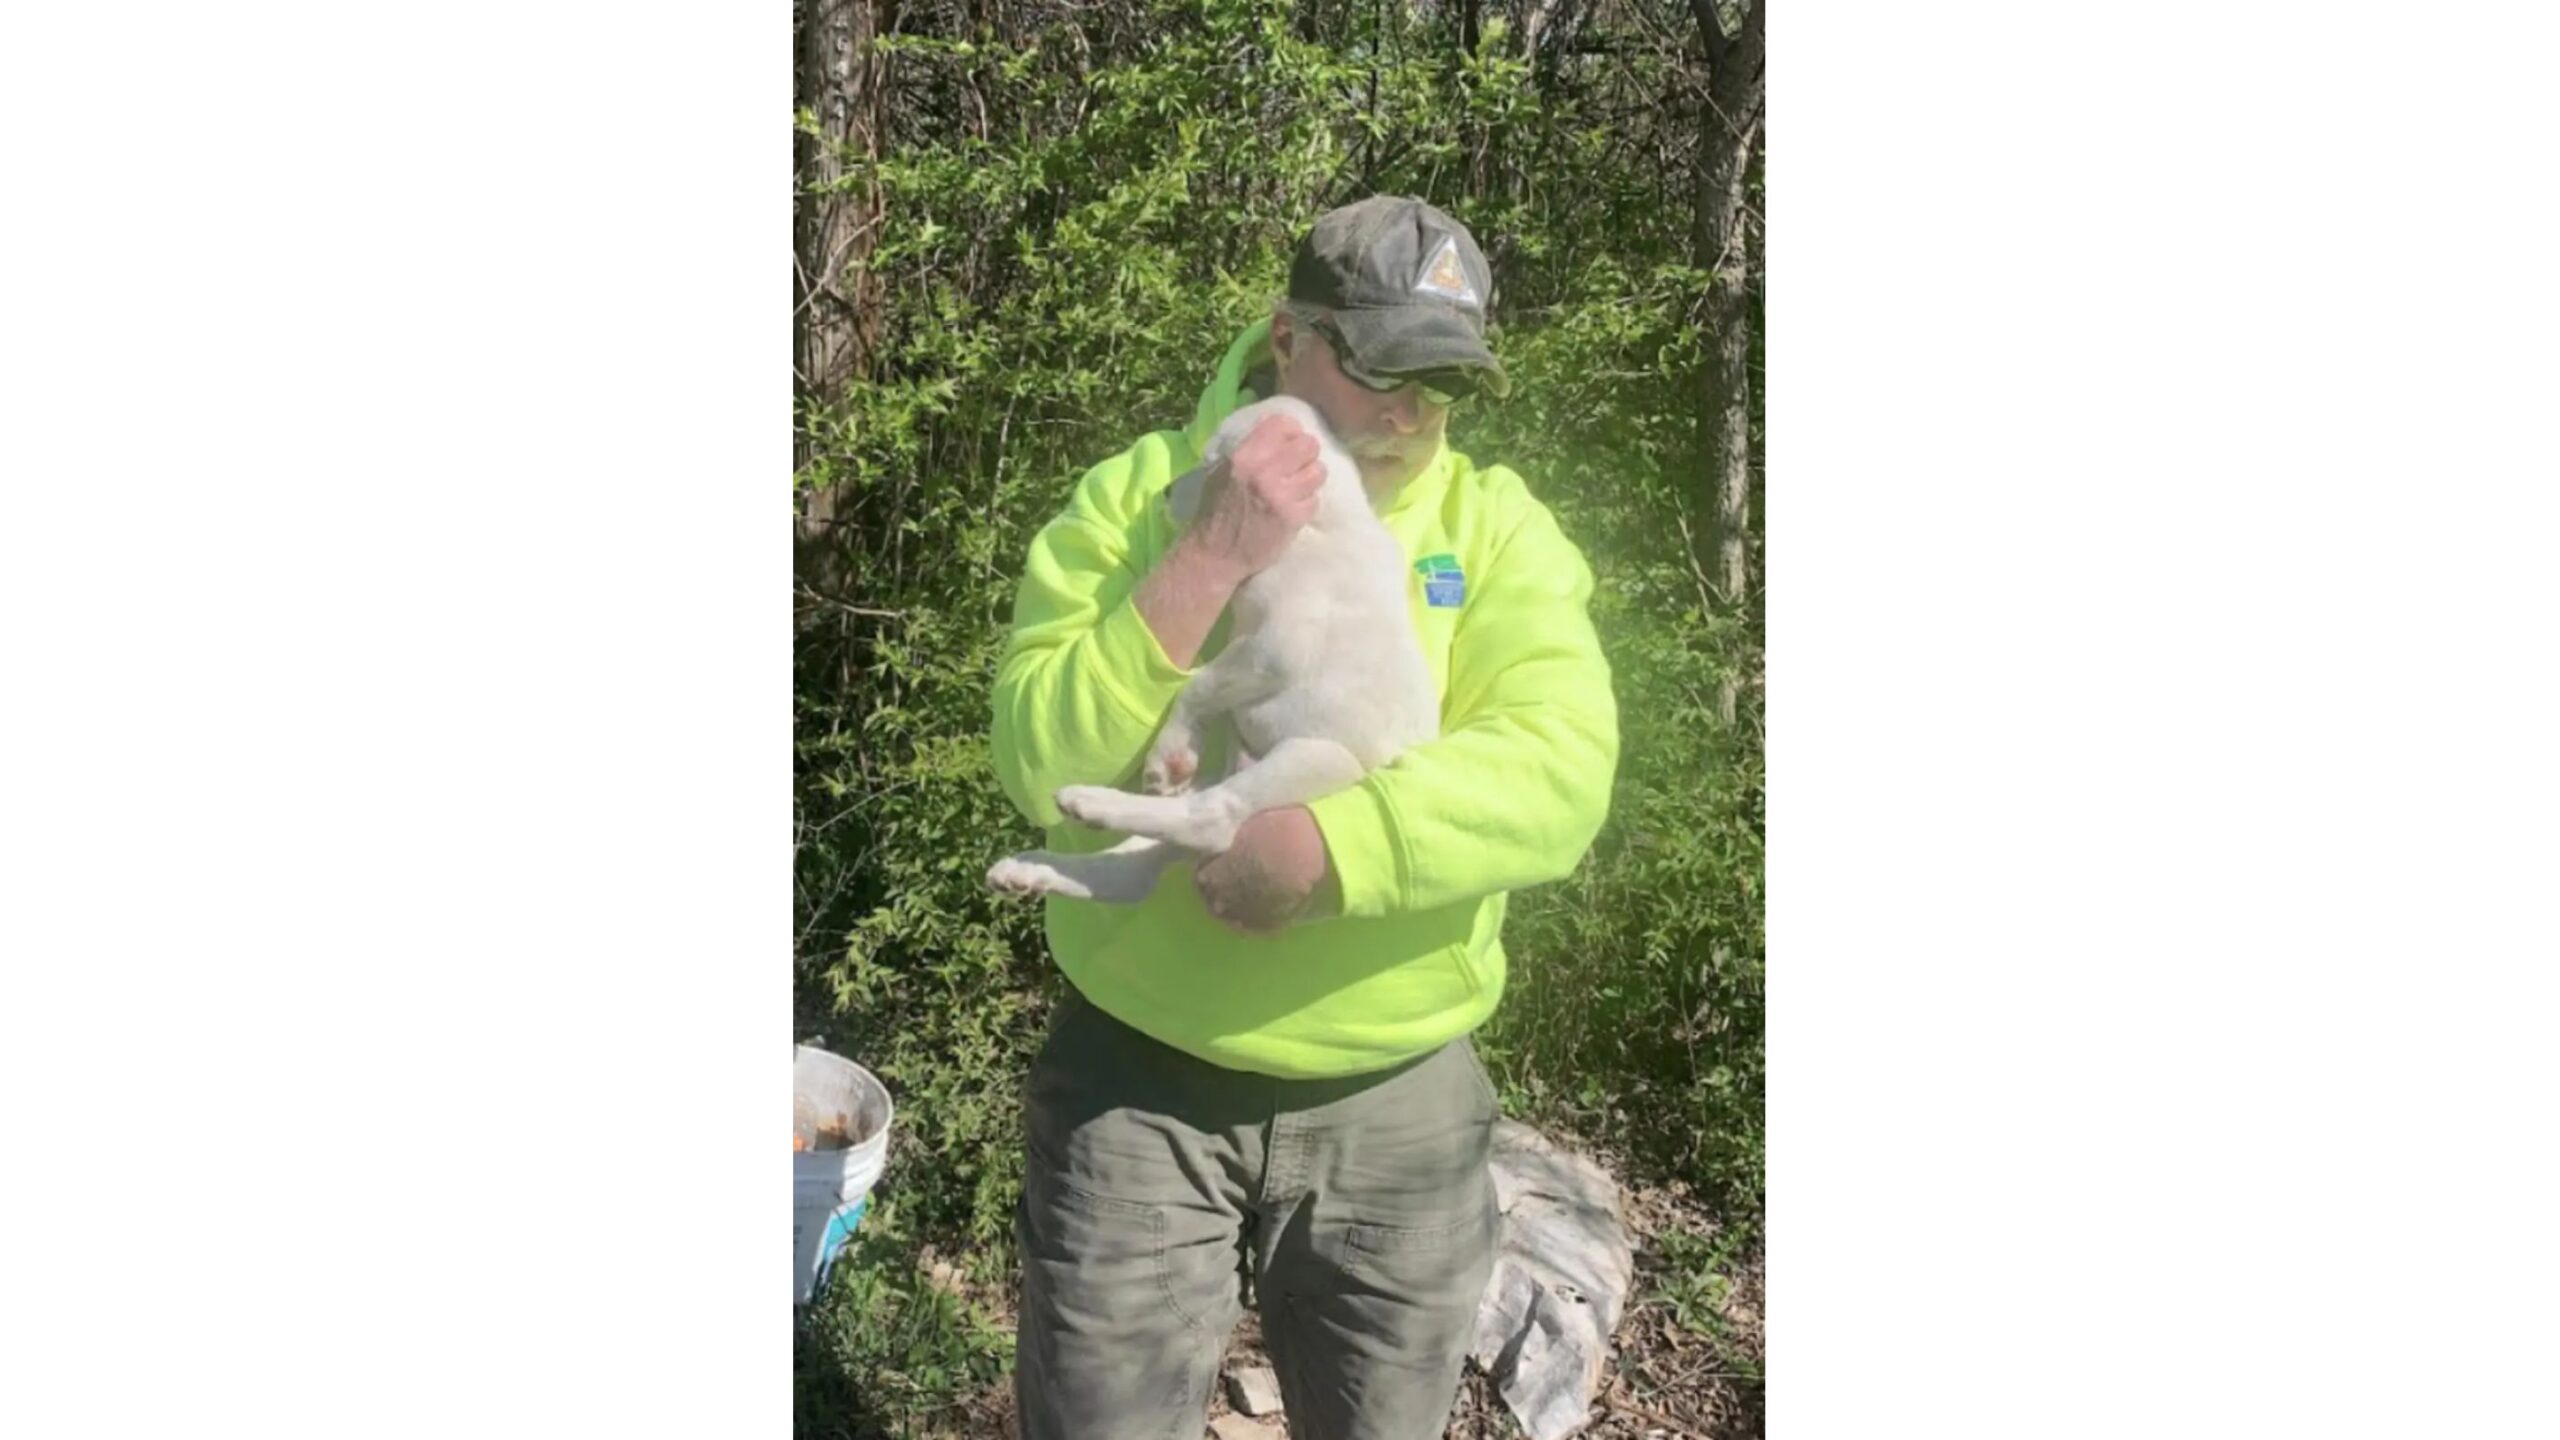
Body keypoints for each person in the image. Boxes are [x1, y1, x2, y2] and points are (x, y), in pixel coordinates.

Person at [990, 194, 1619, 1440]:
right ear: (1289, 336)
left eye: (1444, 383)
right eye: (1383, 366)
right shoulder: (1138, 496)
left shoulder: (1491, 532)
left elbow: (1559, 771)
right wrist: (1207, 556)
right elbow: (1033, 759)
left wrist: (1330, 845)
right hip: (1138, 1090)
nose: (1407, 415)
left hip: (1398, 1104)